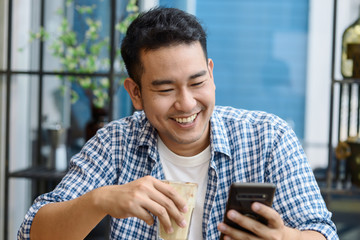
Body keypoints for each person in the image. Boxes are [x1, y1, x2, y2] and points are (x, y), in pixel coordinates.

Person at [18, 7, 338, 240]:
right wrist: (101, 199)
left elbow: (323, 233)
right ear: (136, 93)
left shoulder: (269, 137)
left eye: (197, 82)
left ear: (211, 74)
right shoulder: (115, 143)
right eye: (165, 89)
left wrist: (283, 238)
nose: (186, 103)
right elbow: (31, 232)